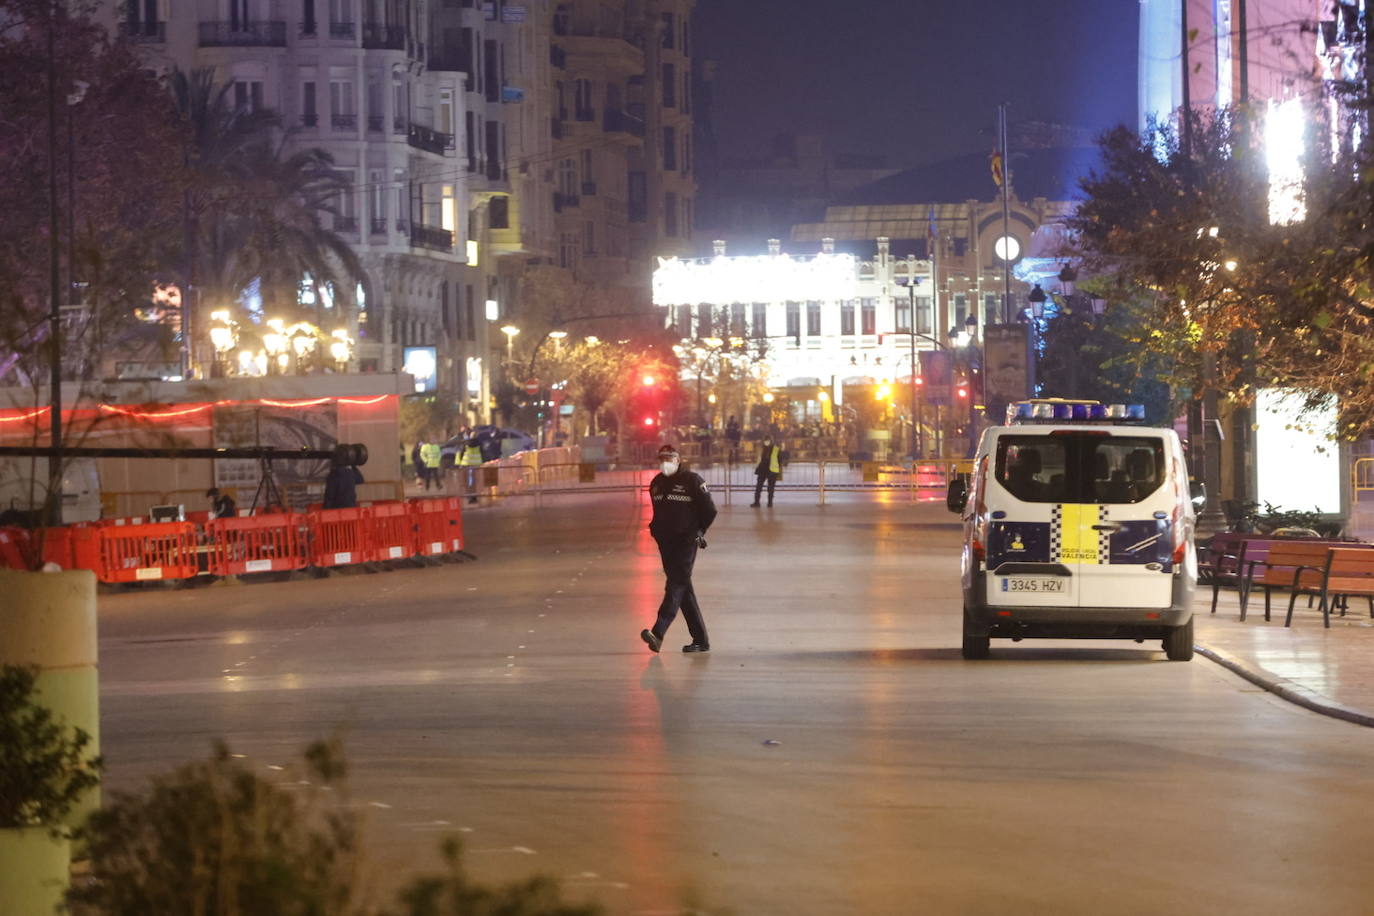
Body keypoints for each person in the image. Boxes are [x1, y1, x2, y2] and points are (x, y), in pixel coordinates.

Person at [641, 444, 717, 654]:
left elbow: (709, 510)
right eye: (662, 459)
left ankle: (658, 632)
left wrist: (699, 531)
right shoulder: (656, 484)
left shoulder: (692, 481)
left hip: (686, 542)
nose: (665, 463)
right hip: (666, 544)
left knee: (675, 585)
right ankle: (700, 639)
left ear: (678, 460)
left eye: (669, 458)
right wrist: (655, 530)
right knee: (683, 590)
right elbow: (658, 513)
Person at [751, 436, 784, 507]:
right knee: (759, 487)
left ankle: (770, 503)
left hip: (772, 470)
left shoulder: (776, 449)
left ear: (771, 441)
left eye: (768, 440)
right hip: (762, 469)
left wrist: (778, 471)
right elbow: (759, 458)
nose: (766, 442)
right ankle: (757, 502)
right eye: (765, 440)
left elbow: (780, 460)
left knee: (770, 488)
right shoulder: (761, 449)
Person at [459, 438, 484, 505]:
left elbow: (461, 453)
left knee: (469, 481)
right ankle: (475, 497)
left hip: (467, 464)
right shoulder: (479, 444)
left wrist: (461, 461)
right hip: (476, 464)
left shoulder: (466, 444)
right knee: (476, 481)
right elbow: (483, 453)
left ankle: (470, 497)